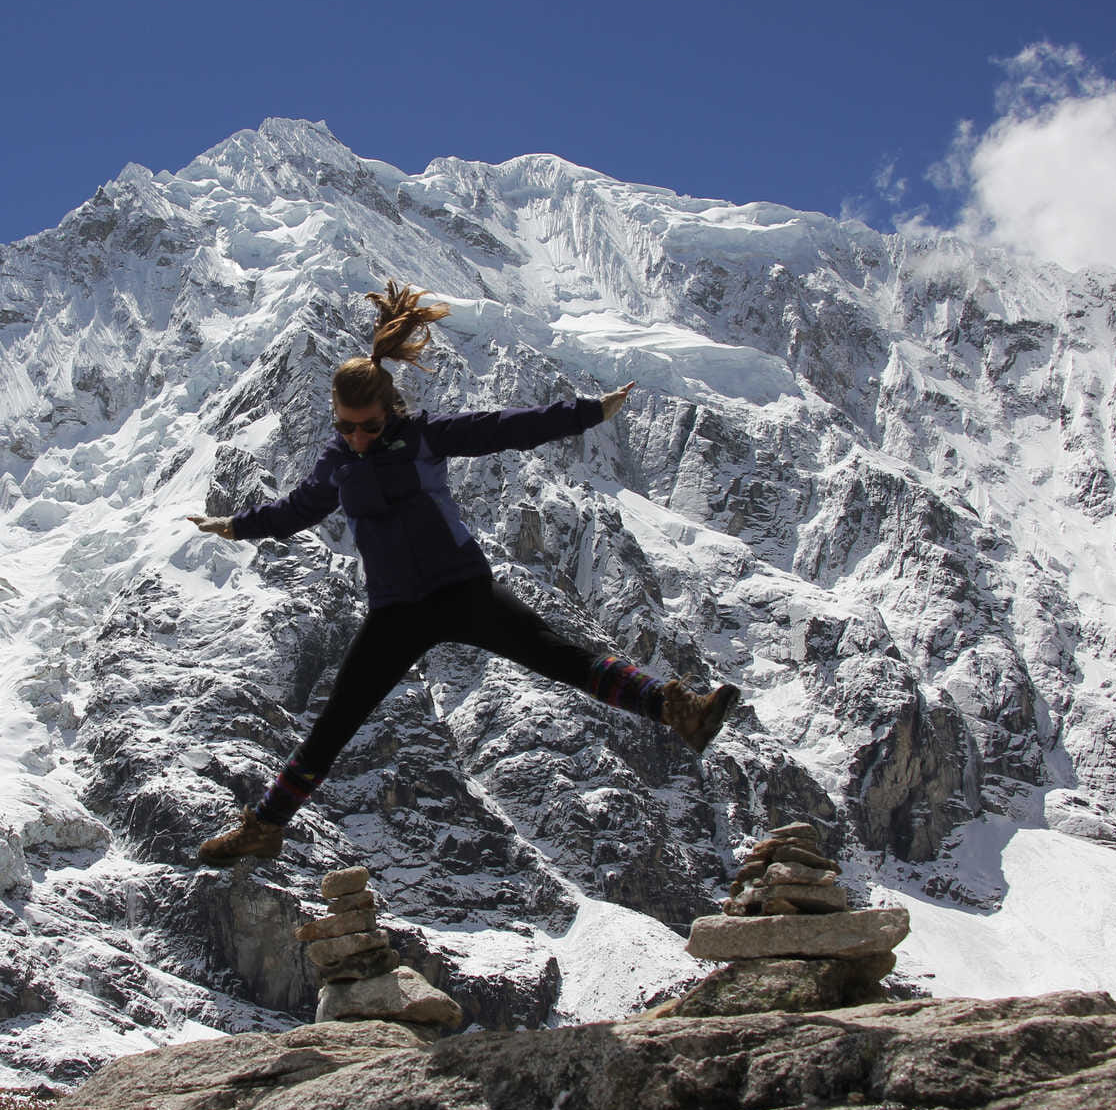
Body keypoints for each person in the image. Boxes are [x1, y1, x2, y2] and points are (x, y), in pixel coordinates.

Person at [183, 281, 740, 866]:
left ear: (389, 409)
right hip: (395, 611)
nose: (358, 438)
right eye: (346, 426)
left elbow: (504, 428)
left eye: (368, 425)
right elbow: (297, 510)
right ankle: (264, 827)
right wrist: (237, 525)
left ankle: (679, 710)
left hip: (462, 589)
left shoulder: (424, 437)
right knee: (335, 724)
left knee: (561, 655)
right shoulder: (337, 464)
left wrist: (586, 412)